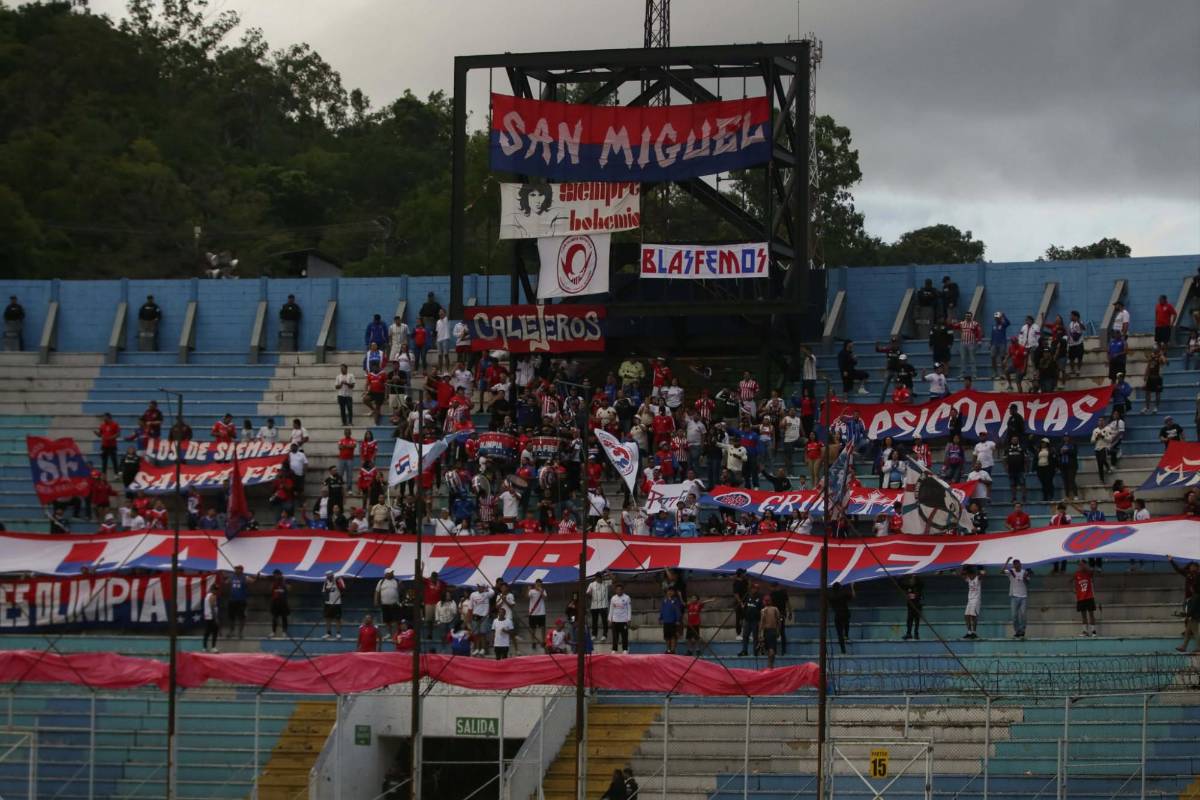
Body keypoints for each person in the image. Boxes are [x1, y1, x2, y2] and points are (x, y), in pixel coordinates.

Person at [1003, 557, 1030, 639]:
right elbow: (1001, 572)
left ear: (1020, 565)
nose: (1017, 566)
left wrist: (1025, 578)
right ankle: (1017, 631)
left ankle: (1022, 630)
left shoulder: (1024, 572)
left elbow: (1028, 582)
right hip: (1014, 596)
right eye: (1016, 565)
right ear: (1014, 566)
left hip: (1023, 597)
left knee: (1023, 615)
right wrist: (1007, 561)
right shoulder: (1011, 572)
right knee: (1014, 616)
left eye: (1019, 565)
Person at [1072, 561, 1098, 637]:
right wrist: (1074, 588)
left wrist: (1086, 568)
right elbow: (1071, 581)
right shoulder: (1076, 574)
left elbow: (1092, 573)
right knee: (1083, 615)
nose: (1081, 566)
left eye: (1082, 564)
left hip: (1089, 597)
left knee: (1091, 614)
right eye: (1079, 565)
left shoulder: (1088, 573)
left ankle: (1093, 631)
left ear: (1085, 565)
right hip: (1080, 598)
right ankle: (1085, 631)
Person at [226, 565, 251, 639]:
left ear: (241, 570)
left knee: (242, 617)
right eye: (235, 569)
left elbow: (252, 581)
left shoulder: (245, 577)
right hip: (232, 600)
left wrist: (256, 577)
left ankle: (240, 632)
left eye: (237, 569)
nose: (236, 570)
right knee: (231, 617)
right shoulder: (232, 576)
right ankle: (231, 631)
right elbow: (226, 582)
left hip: (241, 600)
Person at [375, 569, 403, 636]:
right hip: (385, 604)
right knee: (387, 621)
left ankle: (395, 634)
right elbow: (377, 592)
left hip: (394, 604)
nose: (392, 574)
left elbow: (401, 591)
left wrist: (400, 585)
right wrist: (376, 601)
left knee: (395, 620)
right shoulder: (381, 582)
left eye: (392, 572)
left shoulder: (396, 581)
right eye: (391, 573)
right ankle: (390, 633)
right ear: (386, 574)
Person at [829, 582, 853, 654]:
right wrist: (852, 587)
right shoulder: (843, 595)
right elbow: (852, 596)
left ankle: (843, 650)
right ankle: (846, 634)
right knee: (846, 622)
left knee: (839, 634)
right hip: (845, 614)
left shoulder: (832, 597)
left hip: (838, 615)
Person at [586, 572, 611, 643]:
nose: (600, 579)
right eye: (599, 578)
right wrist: (589, 594)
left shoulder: (606, 582)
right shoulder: (591, 584)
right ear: (596, 578)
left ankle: (605, 635)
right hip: (594, 606)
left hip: (604, 605)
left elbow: (614, 580)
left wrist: (609, 573)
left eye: (601, 577)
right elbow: (587, 593)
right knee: (594, 621)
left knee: (604, 621)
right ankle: (594, 634)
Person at [960, 566, 985, 639]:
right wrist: (964, 568)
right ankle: (969, 632)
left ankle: (974, 632)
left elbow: (983, 575)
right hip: (970, 600)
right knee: (966, 616)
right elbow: (961, 575)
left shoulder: (977, 579)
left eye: (971, 575)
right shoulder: (968, 579)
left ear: (974, 574)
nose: (969, 576)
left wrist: (980, 569)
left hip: (976, 600)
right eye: (968, 575)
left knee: (973, 616)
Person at [737, 586, 762, 657]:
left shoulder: (760, 598)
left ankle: (755, 652)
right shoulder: (747, 597)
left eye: (756, 588)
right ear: (751, 589)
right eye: (753, 588)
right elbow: (744, 608)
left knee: (755, 637)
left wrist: (760, 620)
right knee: (745, 636)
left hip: (755, 620)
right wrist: (742, 618)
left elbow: (762, 610)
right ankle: (744, 651)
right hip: (747, 620)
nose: (755, 589)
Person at [659, 586, 684, 655]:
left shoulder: (675, 600)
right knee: (667, 636)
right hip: (666, 621)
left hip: (673, 621)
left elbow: (678, 611)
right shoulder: (664, 600)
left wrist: (678, 620)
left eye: (671, 591)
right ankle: (668, 649)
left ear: (674, 592)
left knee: (673, 636)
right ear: (666, 592)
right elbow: (662, 610)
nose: (670, 592)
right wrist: (661, 618)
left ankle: (673, 649)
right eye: (668, 591)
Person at [321, 571, 346, 640]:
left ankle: (338, 633)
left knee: (337, 618)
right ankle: (328, 633)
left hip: (337, 603)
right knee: (328, 618)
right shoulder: (326, 582)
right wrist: (325, 598)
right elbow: (323, 591)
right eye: (327, 576)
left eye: (330, 576)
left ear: (332, 575)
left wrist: (338, 582)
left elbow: (343, 588)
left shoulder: (338, 580)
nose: (328, 577)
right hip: (328, 603)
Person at [608, 583, 632, 653]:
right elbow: (611, 609)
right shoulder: (613, 598)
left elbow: (629, 609)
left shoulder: (627, 598)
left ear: (622, 590)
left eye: (620, 590)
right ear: (615, 590)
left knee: (624, 636)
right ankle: (614, 650)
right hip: (615, 621)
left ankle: (625, 649)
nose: (619, 591)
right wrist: (609, 619)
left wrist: (629, 619)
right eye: (617, 590)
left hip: (624, 620)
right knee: (615, 637)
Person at [759, 593, 781, 668]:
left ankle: (770, 665)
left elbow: (762, 623)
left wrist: (760, 635)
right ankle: (770, 665)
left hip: (768, 631)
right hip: (773, 630)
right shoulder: (775, 609)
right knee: (771, 649)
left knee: (770, 649)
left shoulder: (763, 610)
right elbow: (778, 621)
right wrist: (778, 631)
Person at [269, 569, 289, 639]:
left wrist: (284, 583)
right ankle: (273, 632)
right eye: (275, 575)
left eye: (277, 574)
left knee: (284, 618)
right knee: (274, 618)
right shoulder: (273, 582)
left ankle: (284, 632)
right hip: (275, 602)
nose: (276, 576)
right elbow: (271, 590)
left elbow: (289, 588)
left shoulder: (285, 581)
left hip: (283, 602)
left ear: (280, 574)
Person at [528, 579, 548, 651]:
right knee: (533, 628)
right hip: (533, 613)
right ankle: (533, 641)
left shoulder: (543, 590)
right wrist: (528, 590)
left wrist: (541, 590)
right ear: (535, 584)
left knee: (543, 628)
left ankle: (543, 641)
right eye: (537, 584)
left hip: (541, 612)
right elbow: (527, 596)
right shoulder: (531, 591)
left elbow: (545, 598)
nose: (538, 585)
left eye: (540, 584)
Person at [902, 575, 924, 640]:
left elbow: (922, 584)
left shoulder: (919, 587)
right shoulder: (908, 587)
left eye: (912, 579)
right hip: (910, 606)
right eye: (911, 579)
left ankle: (916, 634)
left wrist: (915, 575)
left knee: (917, 620)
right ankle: (909, 633)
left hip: (917, 606)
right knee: (909, 620)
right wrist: (900, 577)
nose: (910, 580)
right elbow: (901, 585)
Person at [202, 583, 220, 653]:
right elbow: (212, 608)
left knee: (207, 632)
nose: (216, 591)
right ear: (212, 589)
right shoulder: (213, 596)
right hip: (211, 617)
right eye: (215, 590)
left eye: (217, 590)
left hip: (207, 616)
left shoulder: (207, 596)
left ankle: (204, 647)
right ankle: (213, 647)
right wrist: (216, 618)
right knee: (214, 632)